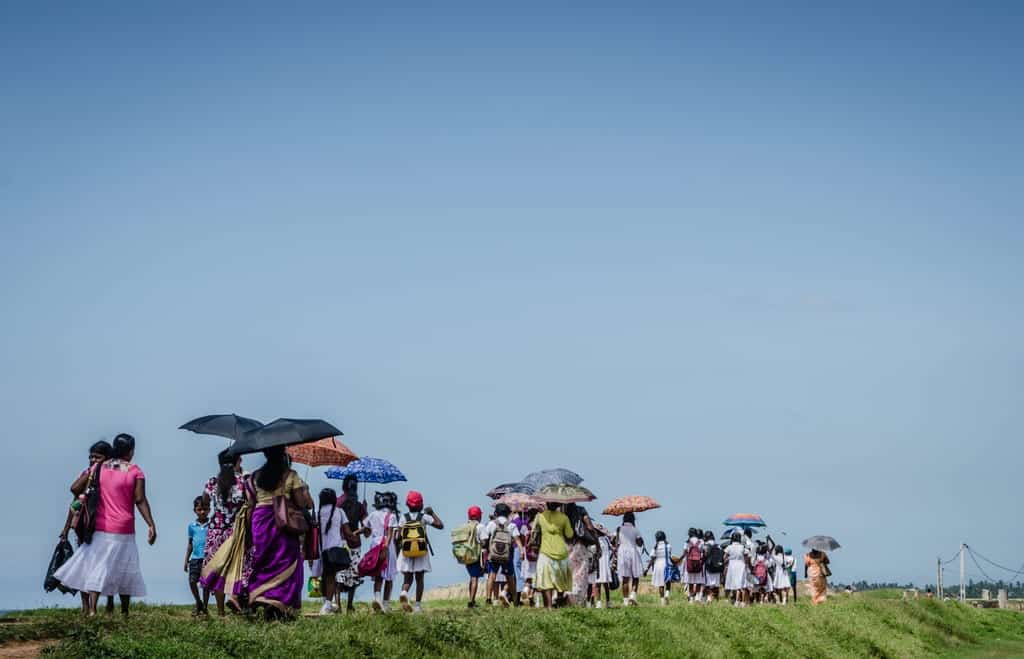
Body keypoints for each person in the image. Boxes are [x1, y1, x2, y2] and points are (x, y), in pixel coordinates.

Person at [54, 433, 156, 617]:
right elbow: (140, 500)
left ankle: (92, 611)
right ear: (131, 451)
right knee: (127, 568)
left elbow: (75, 489)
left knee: (97, 567)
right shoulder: (135, 471)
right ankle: (124, 613)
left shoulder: (99, 467)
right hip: (125, 528)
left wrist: (92, 471)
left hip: (101, 528)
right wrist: (150, 524)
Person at [246, 446, 312, 618]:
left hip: (259, 520)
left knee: (264, 560)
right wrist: (303, 490)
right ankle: (280, 601)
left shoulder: (254, 476)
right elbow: (301, 502)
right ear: (283, 455)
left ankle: (261, 595)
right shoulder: (291, 475)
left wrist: (248, 532)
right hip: (282, 521)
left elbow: (250, 505)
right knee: (286, 561)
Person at [59, 440, 114, 615]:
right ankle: (87, 607)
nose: (92, 459)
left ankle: (109, 602)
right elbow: (75, 497)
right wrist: (66, 528)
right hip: (85, 527)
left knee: (104, 566)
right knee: (84, 565)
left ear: (107, 458)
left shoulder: (111, 475)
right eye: (90, 456)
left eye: (97, 457)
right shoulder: (87, 474)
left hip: (105, 526)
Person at [199, 449, 249, 616]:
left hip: (215, 531)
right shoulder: (243, 482)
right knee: (237, 568)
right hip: (236, 531)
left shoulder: (212, 482)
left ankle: (220, 612)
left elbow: (205, 501)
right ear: (237, 462)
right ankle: (235, 598)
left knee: (217, 570)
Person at [310, 488, 359, 615]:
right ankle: (327, 605)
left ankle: (325, 603)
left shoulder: (316, 513)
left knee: (322, 577)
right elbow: (347, 533)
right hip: (334, 550)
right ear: (333, 499)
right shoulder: (339, 512)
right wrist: (356, 535)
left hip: (319, 551)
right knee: (331, 578)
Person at [397, 490, 444, 613]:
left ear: (407, 504)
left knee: (407, 578)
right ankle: (417, 605)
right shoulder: (424, 517)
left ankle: (404, 592)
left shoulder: (403, 517)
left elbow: (398, 536)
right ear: (421, 504)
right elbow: (440, 525)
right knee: (419, 579)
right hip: (421, 551)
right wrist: (432, 513)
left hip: (406, 552)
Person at [363, 491, 400, 612]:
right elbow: (390, 533)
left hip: (374, 544)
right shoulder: (392, 516)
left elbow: (366, 530)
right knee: (389, 576)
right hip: (387, 545)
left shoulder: (373, 514)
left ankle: (377, 598)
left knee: (378, 574)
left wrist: (364, 509)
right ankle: (386, 603)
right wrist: (386, 547)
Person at [481, 503, 523, 607]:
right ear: (508, 513)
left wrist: (484, 550)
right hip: (507, 555)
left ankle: (488, 599)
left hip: (493, 554)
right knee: (510, 578)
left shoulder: (491, 524)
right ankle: (515, 599)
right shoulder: (511, 525)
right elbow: (517, 540)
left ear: (496, 513)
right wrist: (522, 551)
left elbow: (485, 539)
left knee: (492, 576)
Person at [532, 502, 573, 608]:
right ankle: (559, 601)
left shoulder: (540, 516)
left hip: (545, 552)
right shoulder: (564, 517)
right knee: (560, 580)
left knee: (546, 580)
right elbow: (569, 534)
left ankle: (549, 606)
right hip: (561, 552)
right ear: (559, 505)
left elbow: (533, 531)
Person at [335, 475, 366, 612]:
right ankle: (349, 605)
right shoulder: (359, 506)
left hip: (340, 542)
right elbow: (367, 530)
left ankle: (338, 604)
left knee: (339, 574)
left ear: (343, 486)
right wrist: (365, 510)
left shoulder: (338, 502)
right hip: (355, 544)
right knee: (354, 575)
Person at [564, 503, 598, 606]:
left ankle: (566, 597)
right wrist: (596, 541)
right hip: (579, 545)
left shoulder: (561, 512)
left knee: (567, 572)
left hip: (565, 545)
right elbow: (590, 527)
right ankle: (578, 600)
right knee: (580, 574)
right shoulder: (581, 510)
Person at [184, 496, 210, 616]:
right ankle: (198, 602)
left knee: (206, 584)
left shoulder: (212, 525)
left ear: (209, 509)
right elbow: (190, 544)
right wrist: (186, 560)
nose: (202, 512)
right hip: (194, 559)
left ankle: (204, 606)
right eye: (199, 509)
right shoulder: (191, 526)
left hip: (208, 559)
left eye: (205, 509)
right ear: (195, 510)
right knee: (192, 581)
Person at [460, 506, 486, 608]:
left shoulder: (466, 526)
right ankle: (471, 601)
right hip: (476, 555)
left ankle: (472, 599)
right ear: (479, 516)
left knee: (472, 577)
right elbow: (484, 542)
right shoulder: (480, 527)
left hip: (466, 555)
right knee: (475, 578)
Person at [617, 513, 643, 606]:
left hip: (622, 553)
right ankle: (633, 595)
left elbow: (615, 542)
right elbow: (640, 544)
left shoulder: (619, 529)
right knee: (635, 576)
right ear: (633, 519)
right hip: (633, 552)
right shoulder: (635, 530)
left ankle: (625, 601)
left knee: (625, 578)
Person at [591, 524, 613, 608]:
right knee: (606, 585)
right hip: (605, 564)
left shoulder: (595, 540)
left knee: (597, 584)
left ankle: (599, 602)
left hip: (598, 564)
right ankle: (608, 602)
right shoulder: (606, 539)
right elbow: (612, 550)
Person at [724, 532, 749, 607]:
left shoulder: (729, 547)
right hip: (741, 565)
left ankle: (732, 600)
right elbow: (747, 556)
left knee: (732, 583)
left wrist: (729, 559)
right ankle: (740, 601)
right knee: (741, 584)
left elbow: (724, 557)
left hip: (732, 565)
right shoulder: (742, 547)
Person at [647, 530, 671, 606]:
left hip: (658, 565)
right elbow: (669, 555)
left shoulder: (655, 547)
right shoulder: (668, 545)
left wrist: (647, 569)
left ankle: (662, 601)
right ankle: (667, 594)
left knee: (661, 584)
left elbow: (652, 558)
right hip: (666, 564)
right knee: (668, 582)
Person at [683, 527, 705, 603]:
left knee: (691, 582)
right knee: (698, 581)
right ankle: (698, 597)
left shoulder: (687, 542)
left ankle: (691, 599)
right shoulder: (701, 542)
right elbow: (703, 552)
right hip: (699, 563)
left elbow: (685, 552)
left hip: (689, 564)